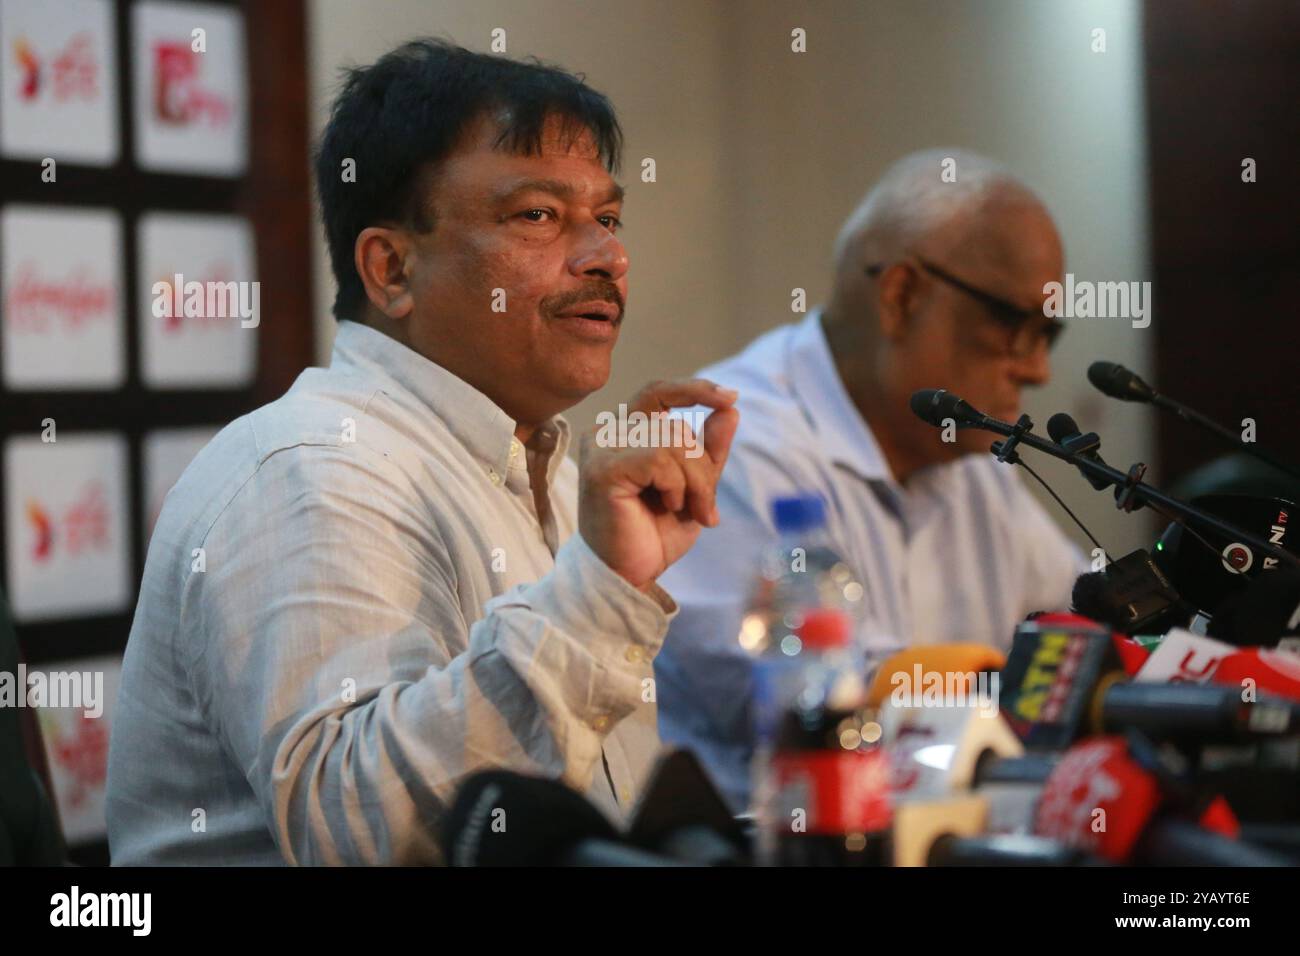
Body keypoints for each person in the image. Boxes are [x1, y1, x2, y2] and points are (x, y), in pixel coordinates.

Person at [107, 39, 738, 865]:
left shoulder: (537, 464)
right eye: (539, 215)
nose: (606, 257)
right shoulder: (312, 468)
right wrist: (600, 593)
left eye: (609, 219)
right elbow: (363, 832)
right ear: (391, 267)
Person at [655, 149, 1085, 810]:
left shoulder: (966, 459)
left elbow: (1082, 622)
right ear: (902, 296)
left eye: (1048, 336)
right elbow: (815, 713)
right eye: (1017, 327)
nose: (1036, 371)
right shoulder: (726, 442)